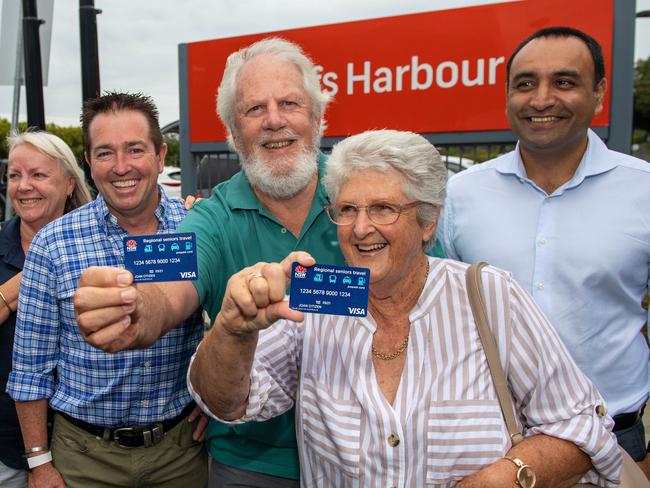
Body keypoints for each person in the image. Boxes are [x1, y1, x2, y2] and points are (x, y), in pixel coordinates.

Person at [187, 129, 621, 487]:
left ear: (428, 221)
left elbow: (583, 427)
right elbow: (229, 403)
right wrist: (232, 329)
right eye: (347, 210)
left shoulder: (489, 295)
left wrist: (508, 476)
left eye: (383, 208)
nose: (360, 228)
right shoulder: (318, 299)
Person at [437, 26, 650, 465]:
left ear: (599, 94)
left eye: (565, 82)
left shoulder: (643, 191)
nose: (541, 99)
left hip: (613, 440)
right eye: (525, 84)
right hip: (490, 441)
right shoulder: (461, 195)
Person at [7, 92, 208, 488]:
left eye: (134, 149)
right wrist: (39, 463)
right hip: (84, 460)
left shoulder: (195, 228)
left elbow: (223, 324)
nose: (121, 167)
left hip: (180, 455)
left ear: (160, 154)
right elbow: (31, 368)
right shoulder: (53, 244)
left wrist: (212, 397)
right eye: (104, 153)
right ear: (88, 163)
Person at [0, 131, 92, 488]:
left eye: (38, 175)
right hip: (6, 447)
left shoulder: (98, 248)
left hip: (84, 447)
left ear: (70, 184)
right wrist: (31, 276)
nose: (24, 186)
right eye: (14, 176)